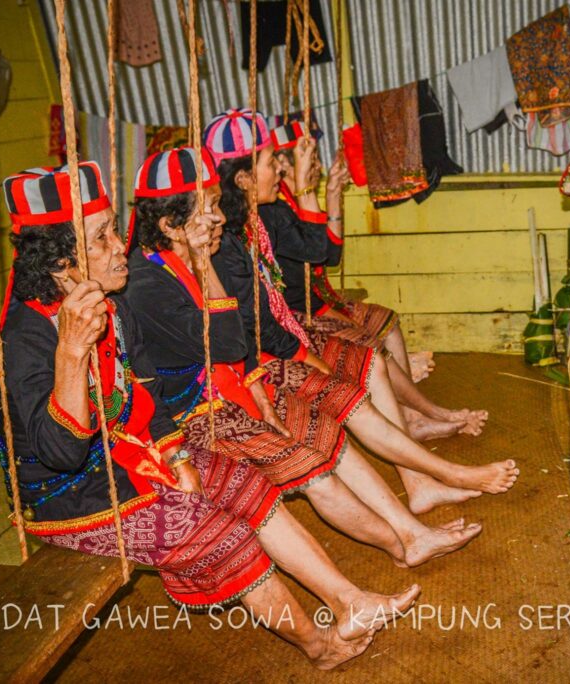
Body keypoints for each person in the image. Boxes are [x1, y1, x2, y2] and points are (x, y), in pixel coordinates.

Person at [0, 161, 418, 669]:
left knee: (248, 486)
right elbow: (61, 456)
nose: (118, 245)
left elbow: (146, 385)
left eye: (111, 229)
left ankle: (350, 602)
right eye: (102, 237)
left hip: (132, 455)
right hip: (69, 494)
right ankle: (318, 645)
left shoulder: (114, 303)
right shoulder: (26, 338)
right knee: (220, 533)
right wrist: (71, 355)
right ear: (62, 264)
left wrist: (177, 456)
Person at [124, 146, 482, 565]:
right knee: (313, 462)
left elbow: (243, 343)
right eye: (208, 210)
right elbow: (232, 344)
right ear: (170, 224)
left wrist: (259, 385)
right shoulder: (149, 281)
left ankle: (412, 528)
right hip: (196, 411)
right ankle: (403, 538)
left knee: (329, 436)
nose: (219, 219)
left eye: (219, 207)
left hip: (242, 382)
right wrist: (207, 266)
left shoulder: (206, 251)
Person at [203, 110, 520, 513]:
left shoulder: (255, 218)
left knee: (370, 355)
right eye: (275, 161)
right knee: (362, 366)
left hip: (288, 331)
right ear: (244, 179)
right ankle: (433, 460)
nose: (283, 169)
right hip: (268, 353)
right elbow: (273, 311)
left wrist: (321, 193)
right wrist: (306, 190)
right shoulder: (233, 235)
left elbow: (321, 258)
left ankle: (420, 465)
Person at [266, 122, 489, 438]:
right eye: (309, 157)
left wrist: (331, 197)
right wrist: (311, 194)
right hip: (300, 311)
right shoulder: (277, 207)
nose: (315, 164)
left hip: (318, 300)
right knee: (369, 344)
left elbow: (331, 257)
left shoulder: (295, 197)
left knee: (387, 322)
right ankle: (424, 415)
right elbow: (315, 255)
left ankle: (411, 413)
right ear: (285, 164)